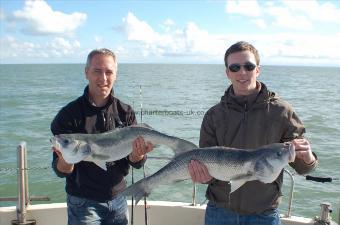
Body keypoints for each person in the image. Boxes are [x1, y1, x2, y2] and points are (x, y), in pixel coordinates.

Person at [188, 41, 318, 225]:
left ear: (258, 70)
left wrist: (309, 159)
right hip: (220, 212)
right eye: (235, 67)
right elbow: (207, 167)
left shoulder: (282, 112)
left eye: (248, 66)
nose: (242, 72)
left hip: (264, 214)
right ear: (227, 73)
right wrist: (202, 176)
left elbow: (302, 166)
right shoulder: (213, 115)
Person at [51, 48, 153, 225]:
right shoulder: (68, 115)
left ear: (116, 75)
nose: (103, 78)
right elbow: (61, 171)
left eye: (109, 72)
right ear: (86, 72)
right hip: (83, 203)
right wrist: (66, 160)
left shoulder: (126, 111)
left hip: (119, 198)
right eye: (97, 71)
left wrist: (138, 155)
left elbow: (136, 163)